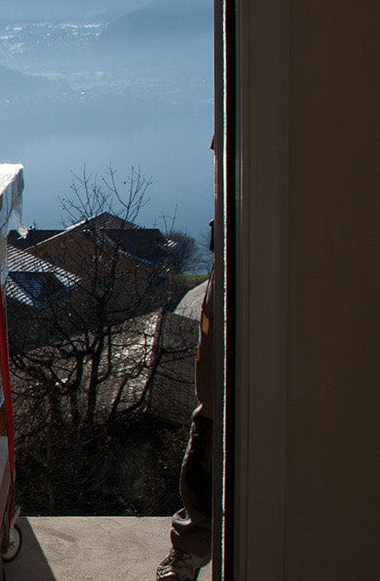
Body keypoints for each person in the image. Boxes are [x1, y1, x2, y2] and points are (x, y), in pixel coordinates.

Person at [156, 216, 219, 580]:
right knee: (199, 477)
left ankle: (189, 553)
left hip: (228, 404)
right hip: (213, 404)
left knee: (202, 475)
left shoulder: (253, 270)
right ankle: (189, 553)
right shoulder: (221, 280)